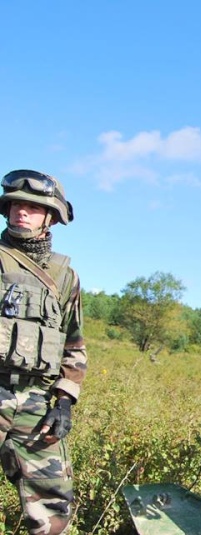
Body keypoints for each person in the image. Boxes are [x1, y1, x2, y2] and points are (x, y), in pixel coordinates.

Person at [0, 169, 87, 535]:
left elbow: (74, 343)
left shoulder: (64, 275)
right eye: (17, 205)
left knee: (54, 507)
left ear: (50, 216)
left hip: (35, 403)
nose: (22, 212)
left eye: (32, 207)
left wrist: (64, 400)